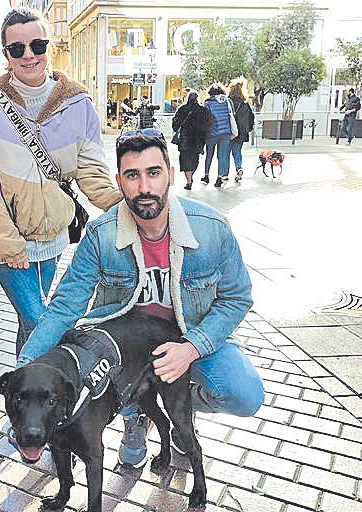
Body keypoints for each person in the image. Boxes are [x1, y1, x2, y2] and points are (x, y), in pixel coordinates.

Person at [17, 129, 264, 468]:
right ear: (119, 181)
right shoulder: (101, 234)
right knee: (99, 371)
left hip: (192, 334)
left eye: (153, 173)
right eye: (132, 175)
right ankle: (135, 412)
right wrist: (27, 367)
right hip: (126, 347)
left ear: (171, 176)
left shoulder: (211, 227)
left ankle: (176, 412)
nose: (144, 187)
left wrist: (191, 348)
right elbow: (66, 306)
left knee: (245, 394)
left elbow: (236, 298)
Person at [0, 7, 122, 357]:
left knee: (30, 323)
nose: (29, 55)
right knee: (42, 322)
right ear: (5, 55)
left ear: (48, 46)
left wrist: (129, 207)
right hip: (9, 242)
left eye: (37, 44)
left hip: (52, 236)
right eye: (16, 48)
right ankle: (41, 401)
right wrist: (9, 245)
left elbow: (92, 173)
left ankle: (27, 401)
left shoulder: (78, 104)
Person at [172, 90, 214, 190]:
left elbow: (175, 123)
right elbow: (209, 124)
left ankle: (189, 180)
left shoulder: (182, 109)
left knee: (185, 161)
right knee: (195, 160)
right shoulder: (203, 110)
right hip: (198, 140)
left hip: (184, 139)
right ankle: (191, 176)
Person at [203, 83, 233, 188]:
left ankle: (206, 176)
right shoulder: (227, 101)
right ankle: (219, 178)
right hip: (226, 133)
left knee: (209, 154)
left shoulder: (208, 103)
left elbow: (205, 119)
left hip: (212, 133)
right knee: (222, 156)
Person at [227, 79, 255, 182]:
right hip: (241, 133)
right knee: (237, 152)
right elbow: (252, 117)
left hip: (229, 131)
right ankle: (239, 168)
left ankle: (224, 174)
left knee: (226, 153)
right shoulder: (245, 104)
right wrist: (249, 128)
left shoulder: (228, 102)